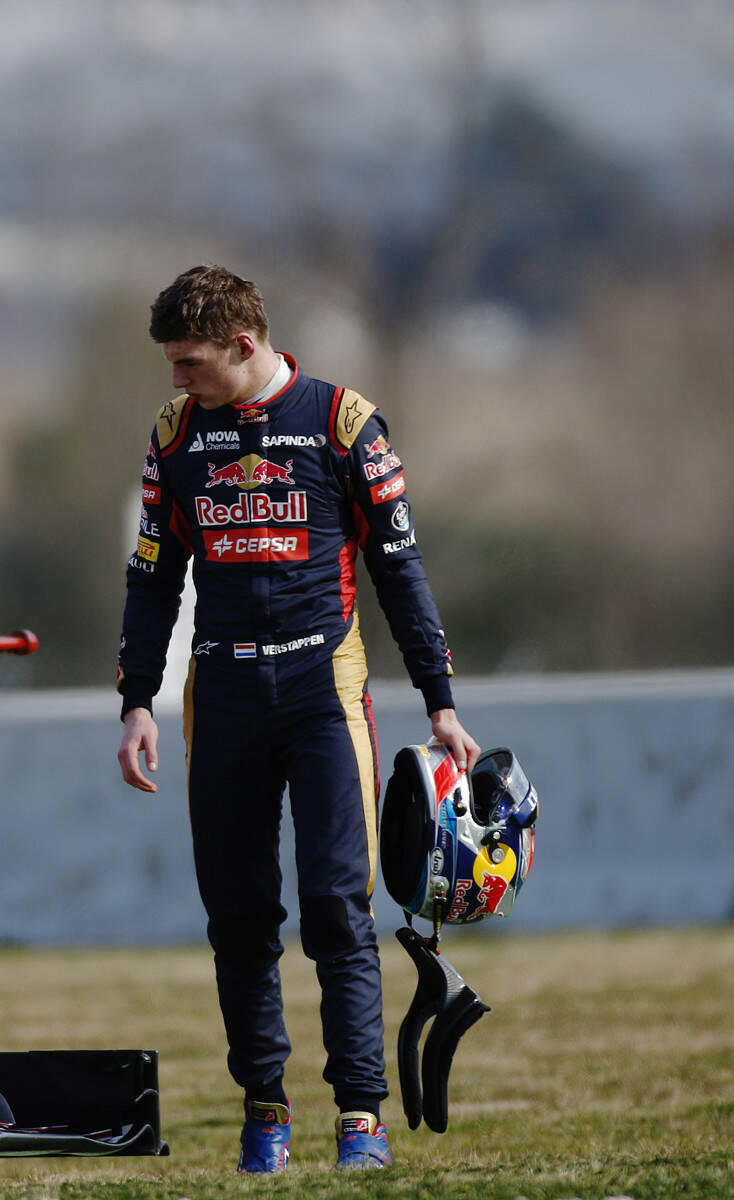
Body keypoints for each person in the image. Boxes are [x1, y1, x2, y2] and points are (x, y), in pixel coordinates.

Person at [115, 264, 478, 1172]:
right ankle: (264, 1113)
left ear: (244, 345)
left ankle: (360, 1118)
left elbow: (400, 567)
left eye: (190, 362)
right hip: (220, 695)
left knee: (335, 908)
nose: (176, 380)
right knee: (239, 919)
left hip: (324, 692)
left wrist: (439, 700)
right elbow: (152, 575)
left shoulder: (344, 423)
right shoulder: (175, 433)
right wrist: (136, 699)